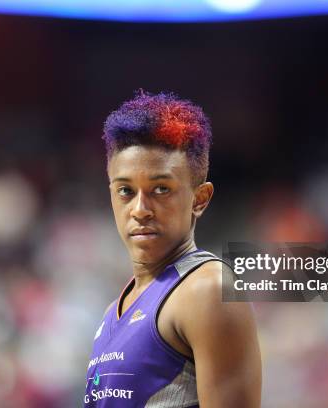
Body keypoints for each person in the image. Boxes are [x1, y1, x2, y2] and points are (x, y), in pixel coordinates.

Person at [84, 91, 261, 407]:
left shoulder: (207, 289)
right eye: (125, 190)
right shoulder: (115, 308)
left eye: (161, 189)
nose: (140, 208)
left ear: (200, 199)